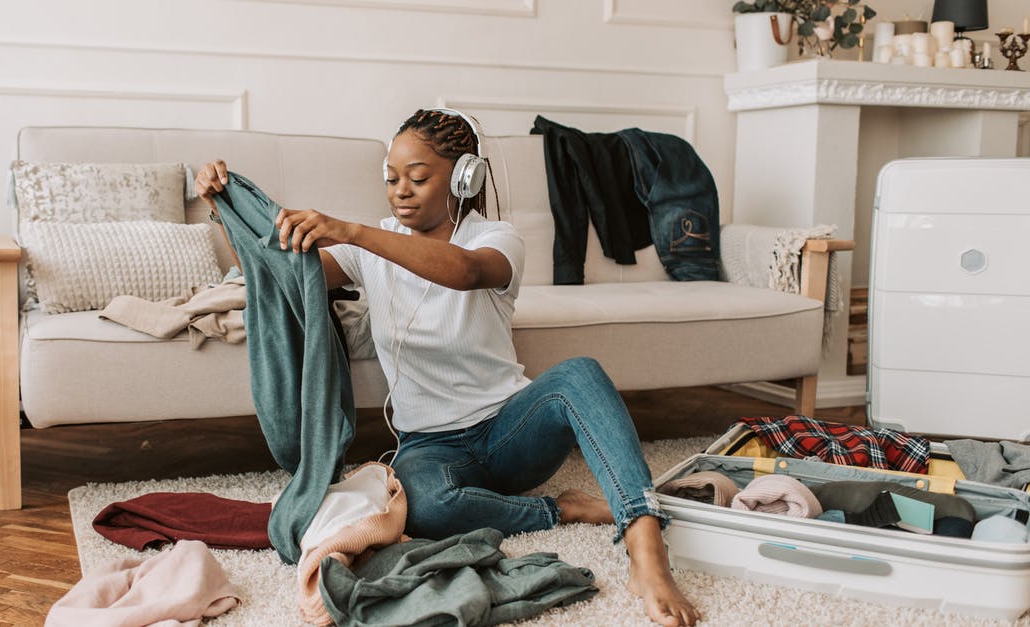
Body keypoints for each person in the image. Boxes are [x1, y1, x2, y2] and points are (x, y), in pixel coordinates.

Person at [195, 108, 700, 626]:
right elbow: (284, 276)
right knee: (426, 508)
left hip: (509, 433)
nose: (400, 191)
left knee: (580, 374)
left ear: (464, 176)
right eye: (391, 179)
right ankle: (561, 509)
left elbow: (465, 272)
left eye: (417, 178)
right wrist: (226, 208)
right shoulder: (369, 246)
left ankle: (645, 545)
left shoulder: (497, 238)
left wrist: (352, 232)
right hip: (429, 446)